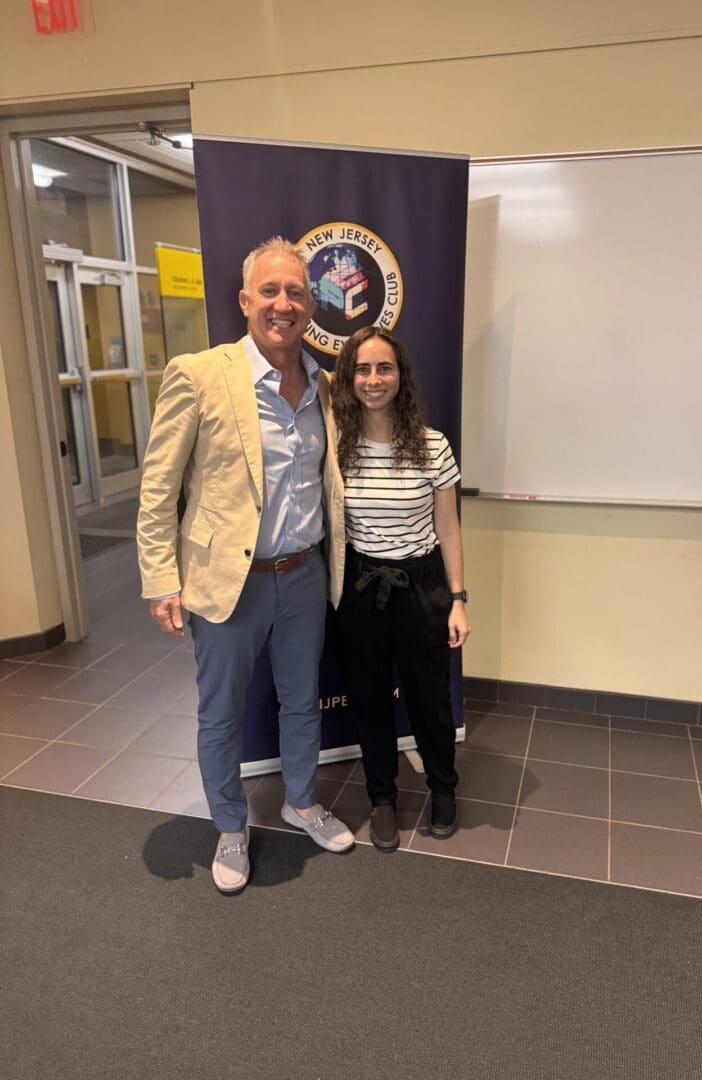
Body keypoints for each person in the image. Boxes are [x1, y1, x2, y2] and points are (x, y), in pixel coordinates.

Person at [137, 237, 354, 895]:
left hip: (304, 574)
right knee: (221, 714)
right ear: (245, 301)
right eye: (270, 291)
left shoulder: (327, 385)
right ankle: (231, 826)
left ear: (310, 304)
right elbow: (159, 484)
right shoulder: (200, 374)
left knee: (300, 702)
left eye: (295, 292)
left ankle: (300, 801)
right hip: (226, 583)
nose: (283, 304)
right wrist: (159, 577)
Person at [330, 326, 471, 852]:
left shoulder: (432, 445)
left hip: (422, 588)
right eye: (362, 370)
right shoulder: (336, 447)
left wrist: (458, 599)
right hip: (361, 590)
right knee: (368, 700)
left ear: (400, 376)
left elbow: (450, 528)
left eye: (383, 368)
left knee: (430, 701)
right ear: (349, 380)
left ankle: (443, 789)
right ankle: (382, 797)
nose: (373, 379)